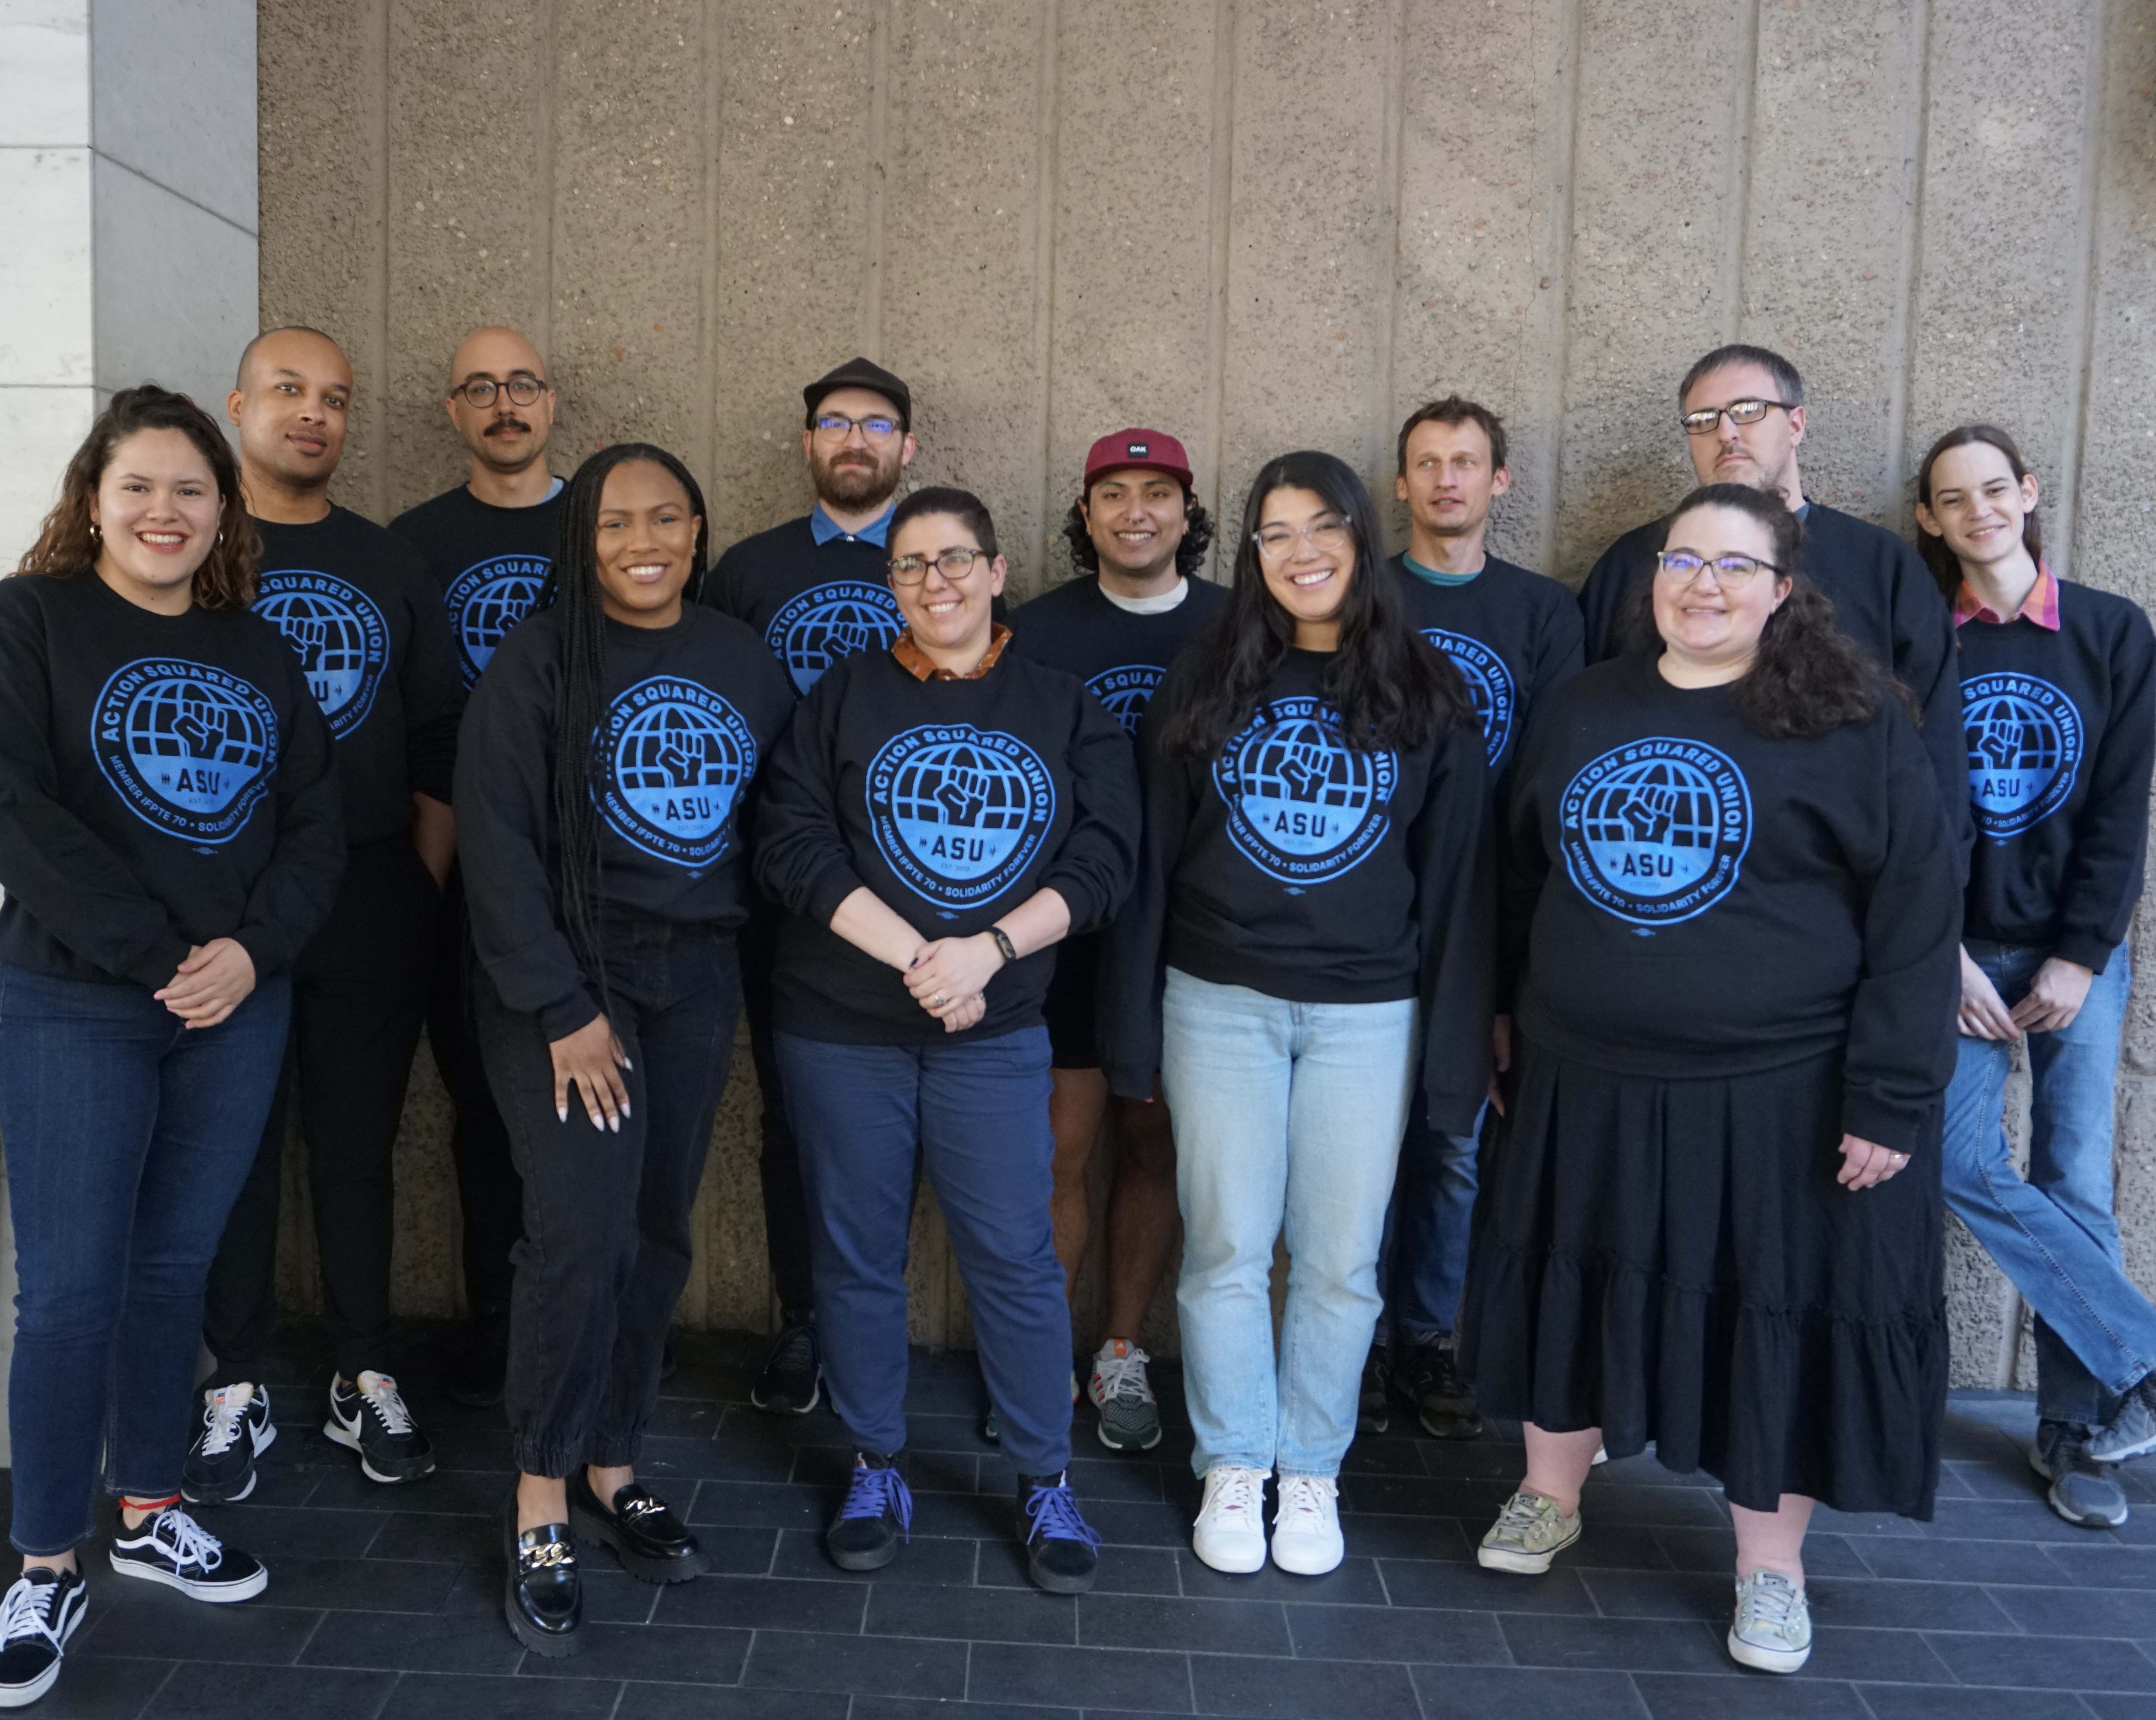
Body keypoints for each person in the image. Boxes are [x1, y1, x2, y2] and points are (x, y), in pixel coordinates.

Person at [1461, 483, 1960, 1675]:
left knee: (1767, 1325)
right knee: (1570, 1294)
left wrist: (1891, 1092)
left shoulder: (1851, 722)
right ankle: (1549, 1492)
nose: (1703, 584)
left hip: (1779, 1094)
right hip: (1588, 1079)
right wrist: (1495, 1021)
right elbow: (1516, 881)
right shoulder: (1580, 707)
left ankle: (1770, 1568)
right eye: (1683, 560)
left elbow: (1915, 913)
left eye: (1736, 566)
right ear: (1653, 581)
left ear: (1783, 591)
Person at [0, 385, 343, 1707]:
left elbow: (313, 825)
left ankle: (148, 1509)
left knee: (170, 1269)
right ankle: (44, 1556)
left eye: (191, 490)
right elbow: (18, 810)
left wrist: (251, 955)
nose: (164, 510)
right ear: (94, 495)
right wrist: (160, 956)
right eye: (139, 485)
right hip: (79, 998)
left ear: (222, 510)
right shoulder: (30, 621)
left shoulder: (256, 650)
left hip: (235, 1005)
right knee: (73, 1287)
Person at [1100, 450, 1491, 1578]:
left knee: (1337, 1261)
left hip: (1370, 1016)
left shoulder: (1427, 691)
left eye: (1322, 527)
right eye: (1275, 533)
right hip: (1216, 1000)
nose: (1302, 551)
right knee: (1224, 1247)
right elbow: (1152, 873)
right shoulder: (1205, 680)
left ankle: (1310, 1469)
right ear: (1252, 554)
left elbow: (1461, 889)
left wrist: (1455, 1063)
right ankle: (1236, 1460)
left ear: (1363, 541)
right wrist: (1132, 1032)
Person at [754, 485, 1138, 1594]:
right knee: (858, 1258)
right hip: (840, 1027)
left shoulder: (1062, 704)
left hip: (996, 1028)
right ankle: (877, 1461)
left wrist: (987, 955)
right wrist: (924, 959)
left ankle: (1041, 1474)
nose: (936, 580)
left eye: (955, 558)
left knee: (1014, 1261)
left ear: (997, 567)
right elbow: (792, 843)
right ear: (892, 586)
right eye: (913, 564)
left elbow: (1104, 859)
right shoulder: (839, 696)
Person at [457, 443, 795, 1655]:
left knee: (655, 1231)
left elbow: (782, 820)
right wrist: (561, 1006)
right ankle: (538, 1492)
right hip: (569, 983)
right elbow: (494, 849)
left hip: (693, 980)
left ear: (698, 529)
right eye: (615, 522)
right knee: (581, 1232)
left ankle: (611, 1461)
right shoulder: (540, 658)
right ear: (583, 539)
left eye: (666, 517)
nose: (642, 539)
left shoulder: (740, 659)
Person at [189, 327, 463, 1502]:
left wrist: (421, 883)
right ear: (238, 404)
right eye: (290, 392)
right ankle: (234, 1380)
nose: (315, 415)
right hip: (226, 910)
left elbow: (439, 734)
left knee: (357, 1149)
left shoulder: (389, 558)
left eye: (336, 399)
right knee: (232, 1152)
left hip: (367, 895)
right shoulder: (192, 551)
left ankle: (363, 1371)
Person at [1913, 424, 2156, 1526]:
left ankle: (2076, 1430)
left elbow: (2119, 811)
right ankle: (2141, 1355)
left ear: (2030, 492)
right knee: (1957, 1159)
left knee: (2073, 1176)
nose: (1979, 512)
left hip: (2074, 954)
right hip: (1953, 952)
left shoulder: (2110, 631)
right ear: (1929, 519)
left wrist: (2078, 955)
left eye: (1995, 489)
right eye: (1953, 498)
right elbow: (1910, 817)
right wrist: (1946, 948)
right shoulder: (1922, 638)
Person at [700, 357, 920, 1417]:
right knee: (790, 1113)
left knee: (904, 1111)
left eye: (876, 424)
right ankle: (803, 1318)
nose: (853, 439)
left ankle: (876, 1320)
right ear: (806, 443)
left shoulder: (939, 565)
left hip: (912, 893)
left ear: (906, 449)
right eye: (834, 421)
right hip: (767, 886)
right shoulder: (747, 569)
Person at [1362, 395, 1583, 1443]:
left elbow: (1555, 777)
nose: (1446, 479)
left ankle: (1423, 1339)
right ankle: (1347, 1335)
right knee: (1353, 1137)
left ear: (1499, 481)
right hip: (1367, 906)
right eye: (1425, 463)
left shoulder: (1544, 614)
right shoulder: (1364, 597)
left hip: (1490, 918)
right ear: (1398, 485)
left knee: (1452, 1143)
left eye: (1466, 462)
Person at [1008, 428, 1225, 1453]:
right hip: (1070, 933)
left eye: (1158, 492)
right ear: (1084, 513)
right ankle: (1043, 1352)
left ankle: (1123, 1347)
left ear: (1190, 513)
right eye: (1113, 493)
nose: (1136, 510)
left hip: (1195, 938)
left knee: (1155, 1144)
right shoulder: (1034, 630)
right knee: (1059, 1144)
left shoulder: (1241, 628)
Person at [1574, 344, 1967, 830]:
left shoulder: (1884, 566)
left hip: (1839, 868)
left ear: (1796, 425)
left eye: (1747, 410)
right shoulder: (1633, 564)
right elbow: (1582, 726)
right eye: (1702, 418)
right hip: (1670, 850)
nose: (1726, 432)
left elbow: (1938, 749)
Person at [389, 325, 565, 1406]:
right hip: (459, 867)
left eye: (522, 384)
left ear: (553, 403)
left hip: (590, 873)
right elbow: (415, 727)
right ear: (453, 413)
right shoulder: (415, 540)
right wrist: (426, 882)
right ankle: (500, 1320)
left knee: (590, 1106)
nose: (504, 403)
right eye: (479, 388)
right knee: (485, 1105)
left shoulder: (601, 523)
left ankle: (598, 1306)